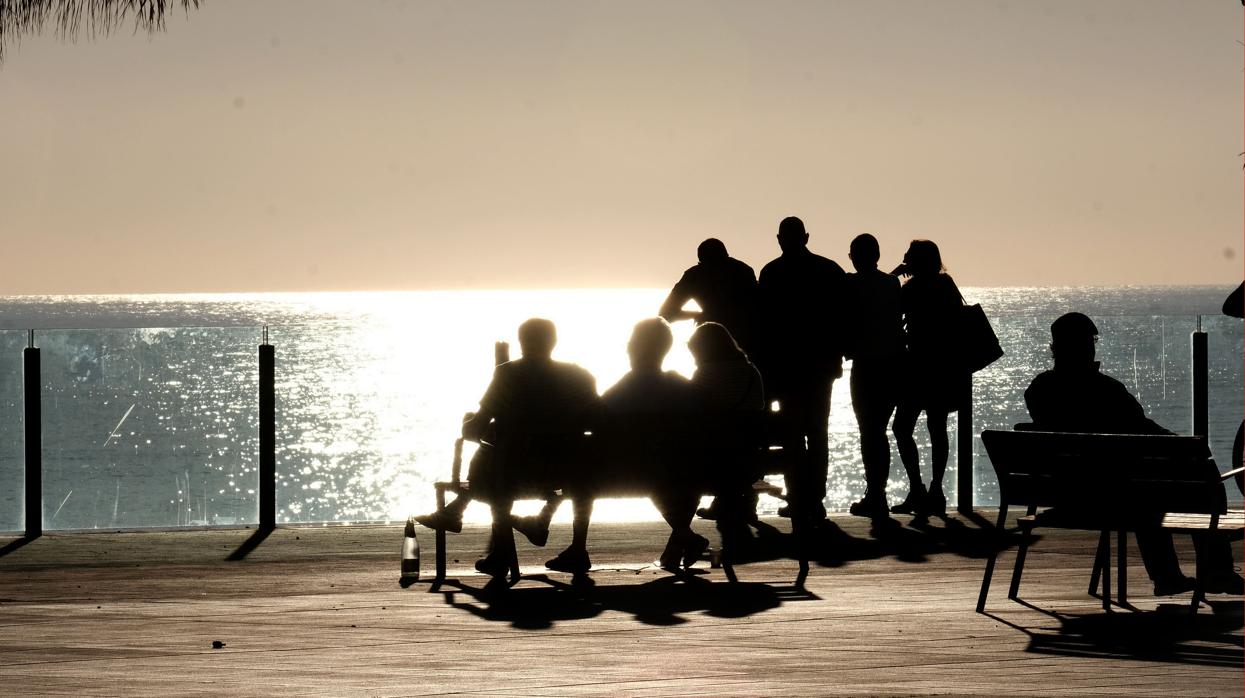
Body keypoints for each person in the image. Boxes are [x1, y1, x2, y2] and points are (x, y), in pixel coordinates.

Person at [1025, 312, 1243, 595]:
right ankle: (1215, 570)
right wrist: (1183, 444)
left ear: (1055, 348)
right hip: (1113, 494)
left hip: (1066, 493)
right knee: (1200, 483)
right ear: (1088, 346)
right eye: (1091, 342)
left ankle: (1169, 576)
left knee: (1146, 491)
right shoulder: (1107, 390)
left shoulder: (1038, 391)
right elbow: (1142, 430)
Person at [415, 318, 598, 581]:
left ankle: (465, 520)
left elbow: (475, 427)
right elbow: (596, 421)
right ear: (554, 342)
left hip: (511, 473)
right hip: (566, 473)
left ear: (522, 343)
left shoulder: (508, 374)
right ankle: (478, 527)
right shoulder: (579, 376)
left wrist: (470, 423)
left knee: (492, 457)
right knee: (501, 456)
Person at [593, 317, 707, 570]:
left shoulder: (624, 388)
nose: (626, 346)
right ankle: (680, 541)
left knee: (657, 472)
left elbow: (594, 420)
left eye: (631, 342)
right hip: (684, 469)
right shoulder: (682, 387)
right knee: (684, 474)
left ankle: (686, 537)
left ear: (636, 348)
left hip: (630, 472)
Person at [757, 216, 847, 522]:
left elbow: (765, 324)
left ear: (780, 239)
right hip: (821, 366)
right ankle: (815, 497)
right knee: (818, 432)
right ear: (806, 237)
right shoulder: (830, 270)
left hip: (785, 367)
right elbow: (842, 318)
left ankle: (797, 495)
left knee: (792, 434)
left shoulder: (771, 273)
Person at [890, 239, 967, 517]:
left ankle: (917, 489)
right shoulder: (946, 285)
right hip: (944, 368)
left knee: (902, 428)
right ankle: (936, 490)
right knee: (937, 429)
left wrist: (893, 275)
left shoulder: (910, 289)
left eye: (908, 257)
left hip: (919, 367)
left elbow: (887, 309)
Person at [843, 234, 904, 519]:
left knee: (869, 432)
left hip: (866, 366)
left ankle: (875, 494)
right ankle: (877, 492)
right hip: (893, 365)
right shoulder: (891, 284)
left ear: (855, 256)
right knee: (879, 431)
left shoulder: (850, 284)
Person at [687, 322, 767, 542]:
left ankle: (721, 505)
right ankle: (746, 506)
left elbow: (694, 411)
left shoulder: (705, 373)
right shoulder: (752, 371)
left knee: (712, 442)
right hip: (752, 455)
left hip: (716, 456)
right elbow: (759, 408)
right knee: (741, 444)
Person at [659, 238, 759, 357]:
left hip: (730, 342)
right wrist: (698, 315)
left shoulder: (696, 276)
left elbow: (666, 313)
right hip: (740, 342)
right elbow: (666, 313)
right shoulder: (742, 270)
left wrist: (700, 315)